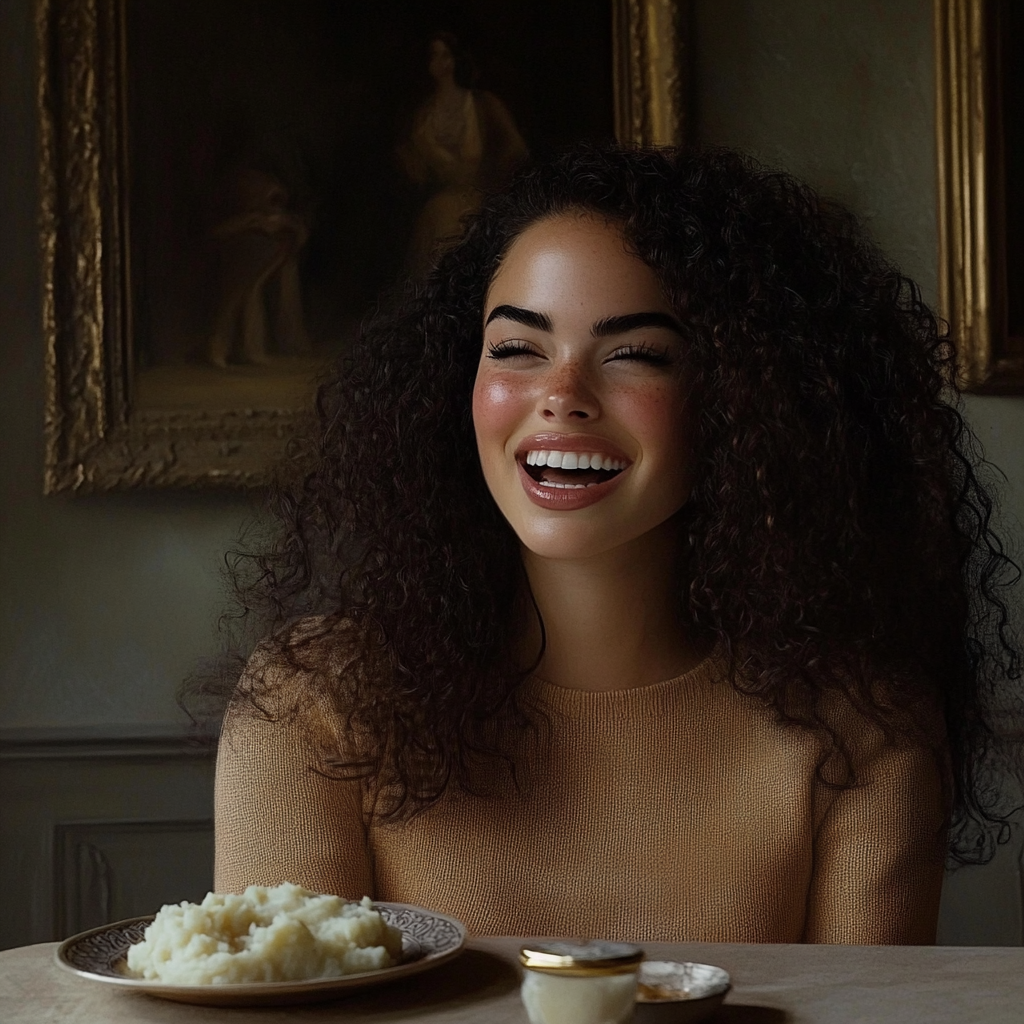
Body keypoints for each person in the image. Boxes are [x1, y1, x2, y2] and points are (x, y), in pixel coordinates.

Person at [208, 144, 1021, 944]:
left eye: (636, 355)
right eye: (517, 349)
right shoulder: (314, 704)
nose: (562, 397)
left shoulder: (864, 729)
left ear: (750, 401)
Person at [397, 32, 528, 276]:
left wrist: (488, 182)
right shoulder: (424, 115)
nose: (441, 62)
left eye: (446, 55)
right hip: (439, 211)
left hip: (480, 203)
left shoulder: (482, 104)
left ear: (456, 59)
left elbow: (516, 151)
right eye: (434, 56)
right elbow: (415, 170)